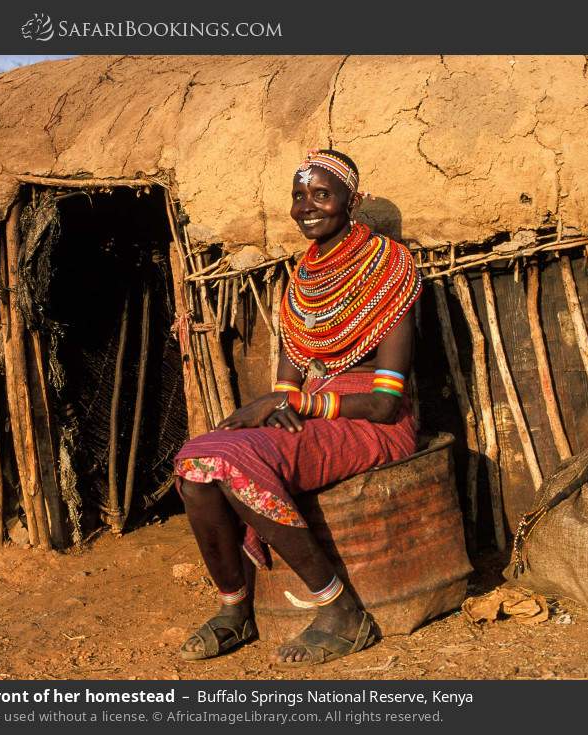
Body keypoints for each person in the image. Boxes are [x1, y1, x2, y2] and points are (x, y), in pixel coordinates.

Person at [173, 149, 422, 667]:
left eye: (321, 194)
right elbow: (288, 385)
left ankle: (341, 611)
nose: (307, 206)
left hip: (372, 422)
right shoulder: (300, 284)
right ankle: (234, 608)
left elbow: (383, 402)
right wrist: (283, 406)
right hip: (317, 411)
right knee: (196, 462)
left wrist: (303, 403)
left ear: (352, 201)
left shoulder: (390, 269)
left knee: (232, 460)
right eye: (298, 195)